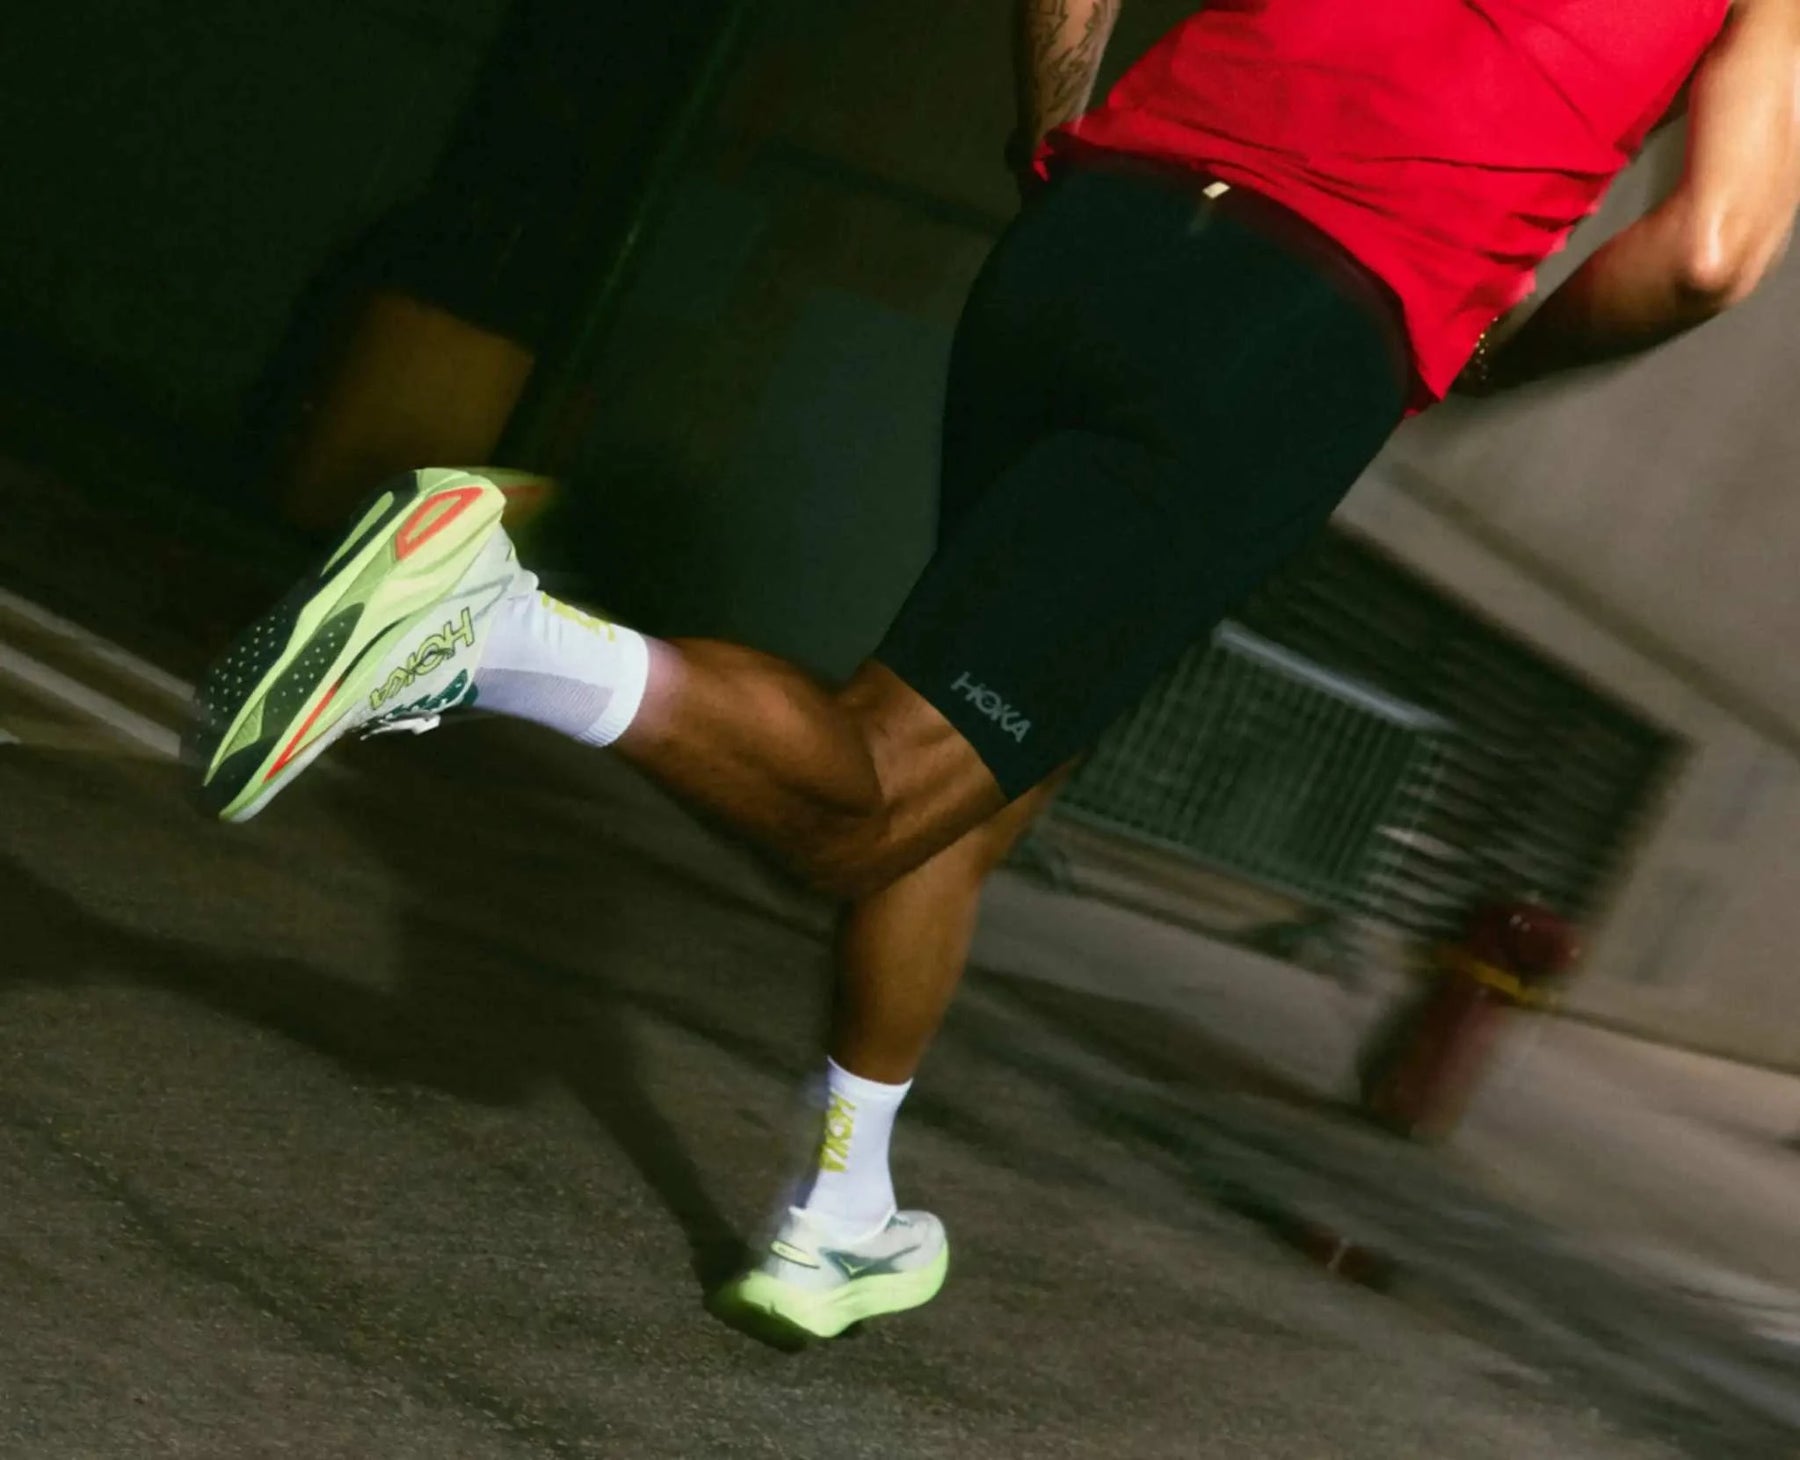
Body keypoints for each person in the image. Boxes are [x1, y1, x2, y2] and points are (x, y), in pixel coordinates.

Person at [190, 0, 1800, 1340]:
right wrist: (1482, 357)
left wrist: (1056, 122)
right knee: (878, 797)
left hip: (1097, 228)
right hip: (1308, 319)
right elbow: (1711, 253)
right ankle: (492, 628)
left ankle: (838, 1208)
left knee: (986, 770)